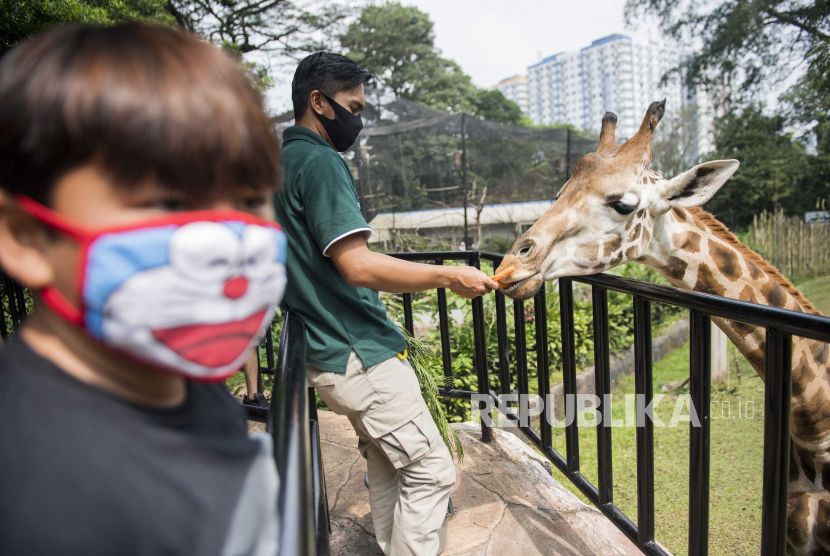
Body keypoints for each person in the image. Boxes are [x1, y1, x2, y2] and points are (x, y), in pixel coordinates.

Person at [0, 24, 287, 555]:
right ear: (25, 237)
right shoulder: (33, 499)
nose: (229, 241)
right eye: (172, 203)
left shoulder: (184, 384)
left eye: (250, 200)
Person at [275, 51, 499, 556]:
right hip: (358, 353)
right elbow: (357, 265)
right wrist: (448, 274)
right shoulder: (320, 162)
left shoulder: (279, 164)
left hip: (326, 351)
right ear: (318, 102)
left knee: (386, 462)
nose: (358, 118)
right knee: (431, 470)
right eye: (352, 105)